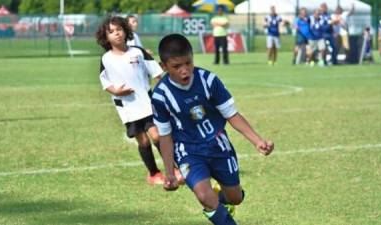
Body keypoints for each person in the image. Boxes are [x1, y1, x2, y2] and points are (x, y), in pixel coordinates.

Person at [151, 33, 274, 225]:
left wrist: (258, 141)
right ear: (163, 66)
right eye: (177, 66)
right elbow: (165, 136)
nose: (185, 71)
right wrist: (169, 173)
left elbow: (232, 114)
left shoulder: (208, 80)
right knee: (204, 196)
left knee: (235, 198)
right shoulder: (160, 96)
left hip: (218, 145)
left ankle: (221, 200)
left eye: (188, 63)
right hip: (188, 151)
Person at [95, 16, 166, 185]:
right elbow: (105, 82)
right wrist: (117, 91)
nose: (116, 34)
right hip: (127, 107)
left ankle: (174, 168)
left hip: (147, 103)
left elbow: (156, 73)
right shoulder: (106, 59)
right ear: (105, 38)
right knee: (142, 140)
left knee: (157, 136)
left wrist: (166, 88)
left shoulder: (138, 52)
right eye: (111, 32)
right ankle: (154, 173)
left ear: (126, 30)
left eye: (119, 29)